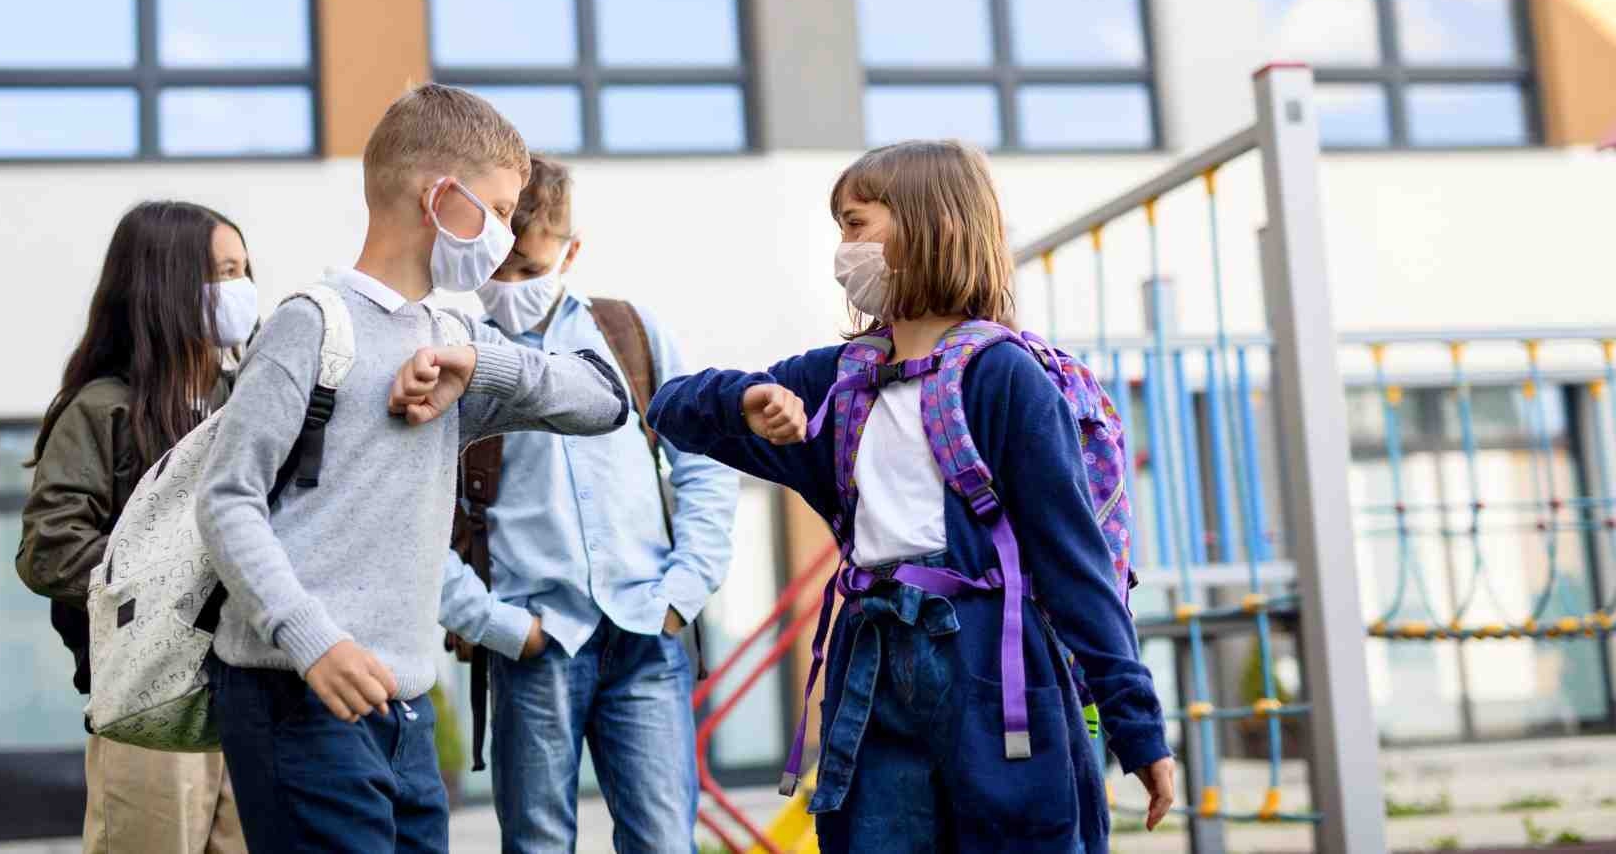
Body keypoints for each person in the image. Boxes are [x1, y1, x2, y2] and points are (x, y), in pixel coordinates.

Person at [646, 140, 1176, 854]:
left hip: (992, 667)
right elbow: (670, 407)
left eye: (856, 223)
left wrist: (1136, 728)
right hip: (870, 672)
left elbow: (1072, 563)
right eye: (838, 226)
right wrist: (747, 398)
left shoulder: (1003, 377)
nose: (842, 249)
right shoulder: (833, 381)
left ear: (930, 225)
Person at [196, 84, 631, 854]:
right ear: (439, 197)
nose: (503, 235)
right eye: (496, 211)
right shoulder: (309, 324)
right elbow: (226, 500)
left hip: (405, 706)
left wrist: (479, 361)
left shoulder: (455, 337)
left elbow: (604, 399)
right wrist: (312, 640)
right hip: (297, 694)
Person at [440, 154, 738, 854]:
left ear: (571, 252)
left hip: (645, 630)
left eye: (531, 269)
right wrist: (495, 624)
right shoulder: (454, 350)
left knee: (664, 841)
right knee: (538, 843)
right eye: (499, 271)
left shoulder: (628, 332)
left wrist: (683, 589)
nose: (512, 287)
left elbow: (703, 459)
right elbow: (413, 514)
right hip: (535, 639)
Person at [17, 199, 257, 854]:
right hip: (150, 703)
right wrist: (180, 591)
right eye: (220, 273)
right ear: (165, 288)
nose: (239, 291)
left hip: (250, 695)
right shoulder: (101, 410)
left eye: (242, 270)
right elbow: (51, 551)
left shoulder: (250, 400)